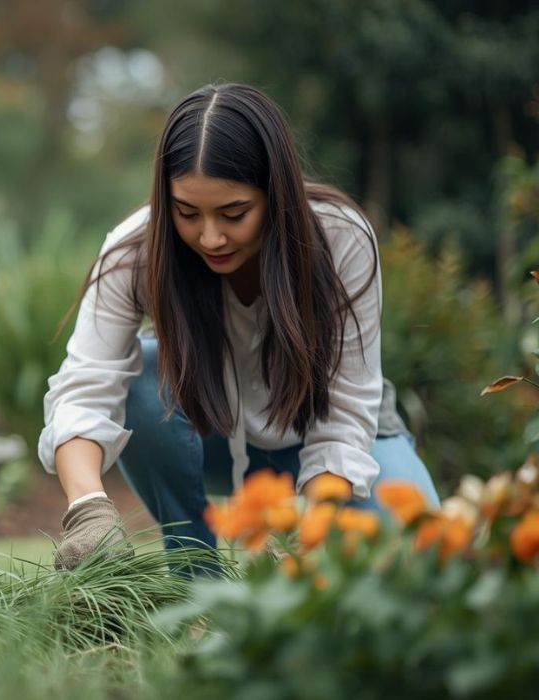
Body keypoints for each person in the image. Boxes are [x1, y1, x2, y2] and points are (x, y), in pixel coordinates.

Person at [40, 83, 441, 570]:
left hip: (345, 449)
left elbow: (346, 415)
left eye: (234, 213)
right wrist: (89, 511)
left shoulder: (340, 240)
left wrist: (304, 530)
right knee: (142, 376)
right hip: (215, 443)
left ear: (277, 195)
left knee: (424, 555)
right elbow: (84, 391)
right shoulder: (135, 251)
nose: (210, 237)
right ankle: (193, 571)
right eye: (187, 212)